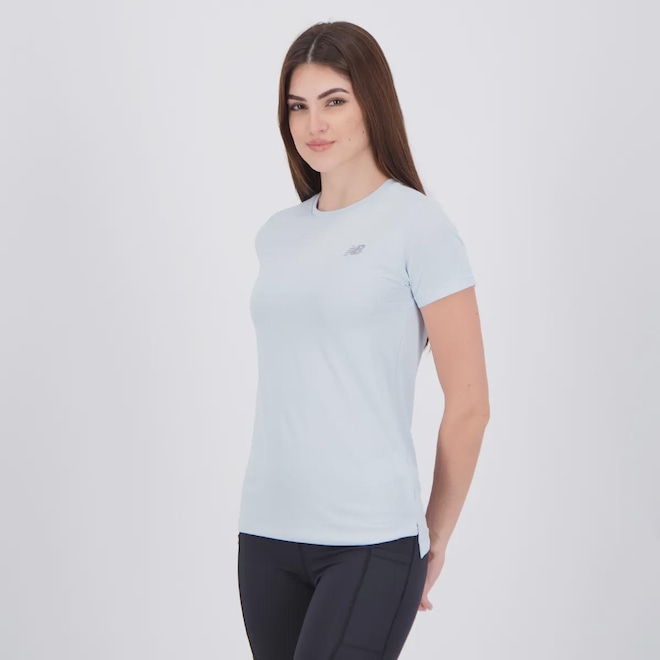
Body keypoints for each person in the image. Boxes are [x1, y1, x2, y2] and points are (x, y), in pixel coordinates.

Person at [236, 20, 490, 660]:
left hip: (371, 538)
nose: (313, 124)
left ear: (372, 102)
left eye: (334, 101)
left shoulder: (418, 226)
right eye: (298, 106)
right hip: (266, 531)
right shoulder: (278, 234)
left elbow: (470, 404)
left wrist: (435, 537)